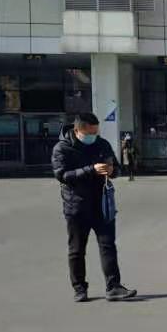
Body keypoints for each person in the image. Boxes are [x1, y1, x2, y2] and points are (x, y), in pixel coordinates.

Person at [52, 112, 136, 303]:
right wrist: (91, 169)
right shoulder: (62, 148)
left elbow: (116, 168)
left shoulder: (102, 144)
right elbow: (62, 175)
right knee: (77, 249)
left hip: (102, 204)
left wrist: (112, 170)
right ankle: (79, 288)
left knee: (108, 245)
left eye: (96, 132)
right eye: (90, 133)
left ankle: (114, 287)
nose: (93, 136)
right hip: (76, 206)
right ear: (77, 130)